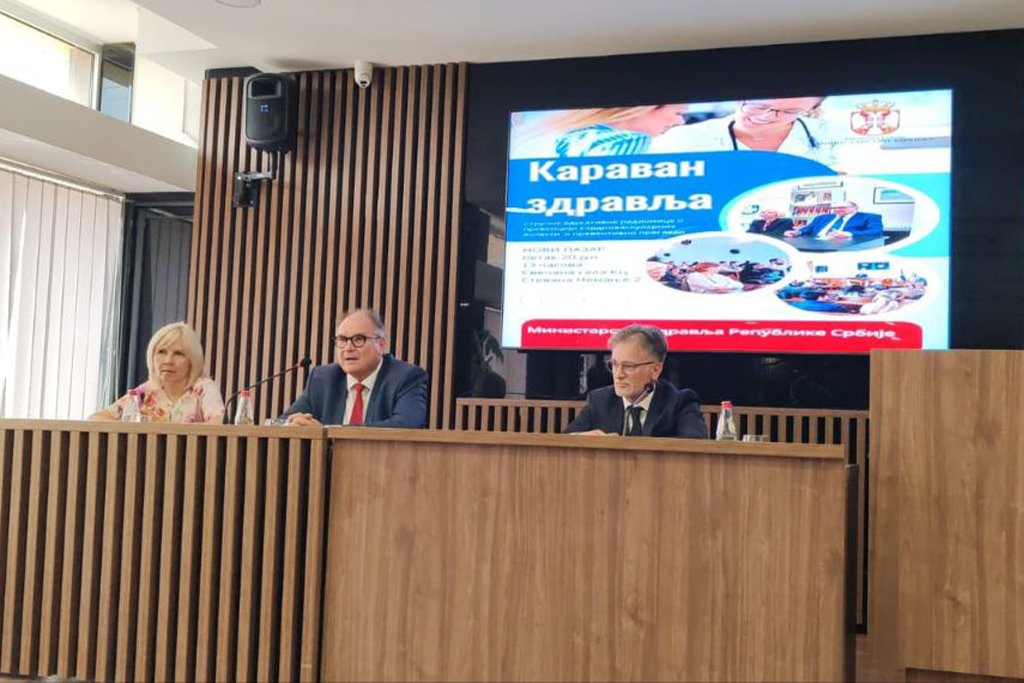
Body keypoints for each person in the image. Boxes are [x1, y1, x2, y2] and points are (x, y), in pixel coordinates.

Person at [283, 309, 428, 427]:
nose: (348, 348)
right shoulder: (322, 378)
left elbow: (405, 425)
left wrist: (325, 432)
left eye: (358, 339)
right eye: (342, 340)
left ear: (380, 344)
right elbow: (284, 421)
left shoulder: (406, 377)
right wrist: (294, 424)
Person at [564, 324, 706, 438]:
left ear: (655, 370)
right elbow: (565, 440)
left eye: (628, 366)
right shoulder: (599, 400)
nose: (618, 375)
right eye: (614, 365)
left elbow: (694, 446)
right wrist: (582, 438)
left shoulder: (679, 402)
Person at [89, 322, 224, 423]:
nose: (168, 361)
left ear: (192, 360)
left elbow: (219, 422)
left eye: (178, 354)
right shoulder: (144, 392)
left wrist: (167, 429)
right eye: (161, 352)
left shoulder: (203, 388)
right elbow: (96, 418)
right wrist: (134, 427)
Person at [649, 97, 837, 168]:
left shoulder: (834, 134)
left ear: (811, 109)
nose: (766, 117)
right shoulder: (681, 140)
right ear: (738, 99)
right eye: (759, 106)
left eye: (790, 111)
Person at [513, 105, 688, 157]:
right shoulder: (631, 140)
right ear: (644, 110)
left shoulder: (570, 134)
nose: (680, 122)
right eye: (678, 113)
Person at [785, 201, 883, 240]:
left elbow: (876, 231)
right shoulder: (822, 217)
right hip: (814, 241)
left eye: (842, 207)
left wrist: (849, 234)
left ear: (854, 208)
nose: (837, 210)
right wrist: (797, 232)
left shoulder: (870, 217)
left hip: (844, 245)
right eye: (835, 208)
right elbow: (808, 228)